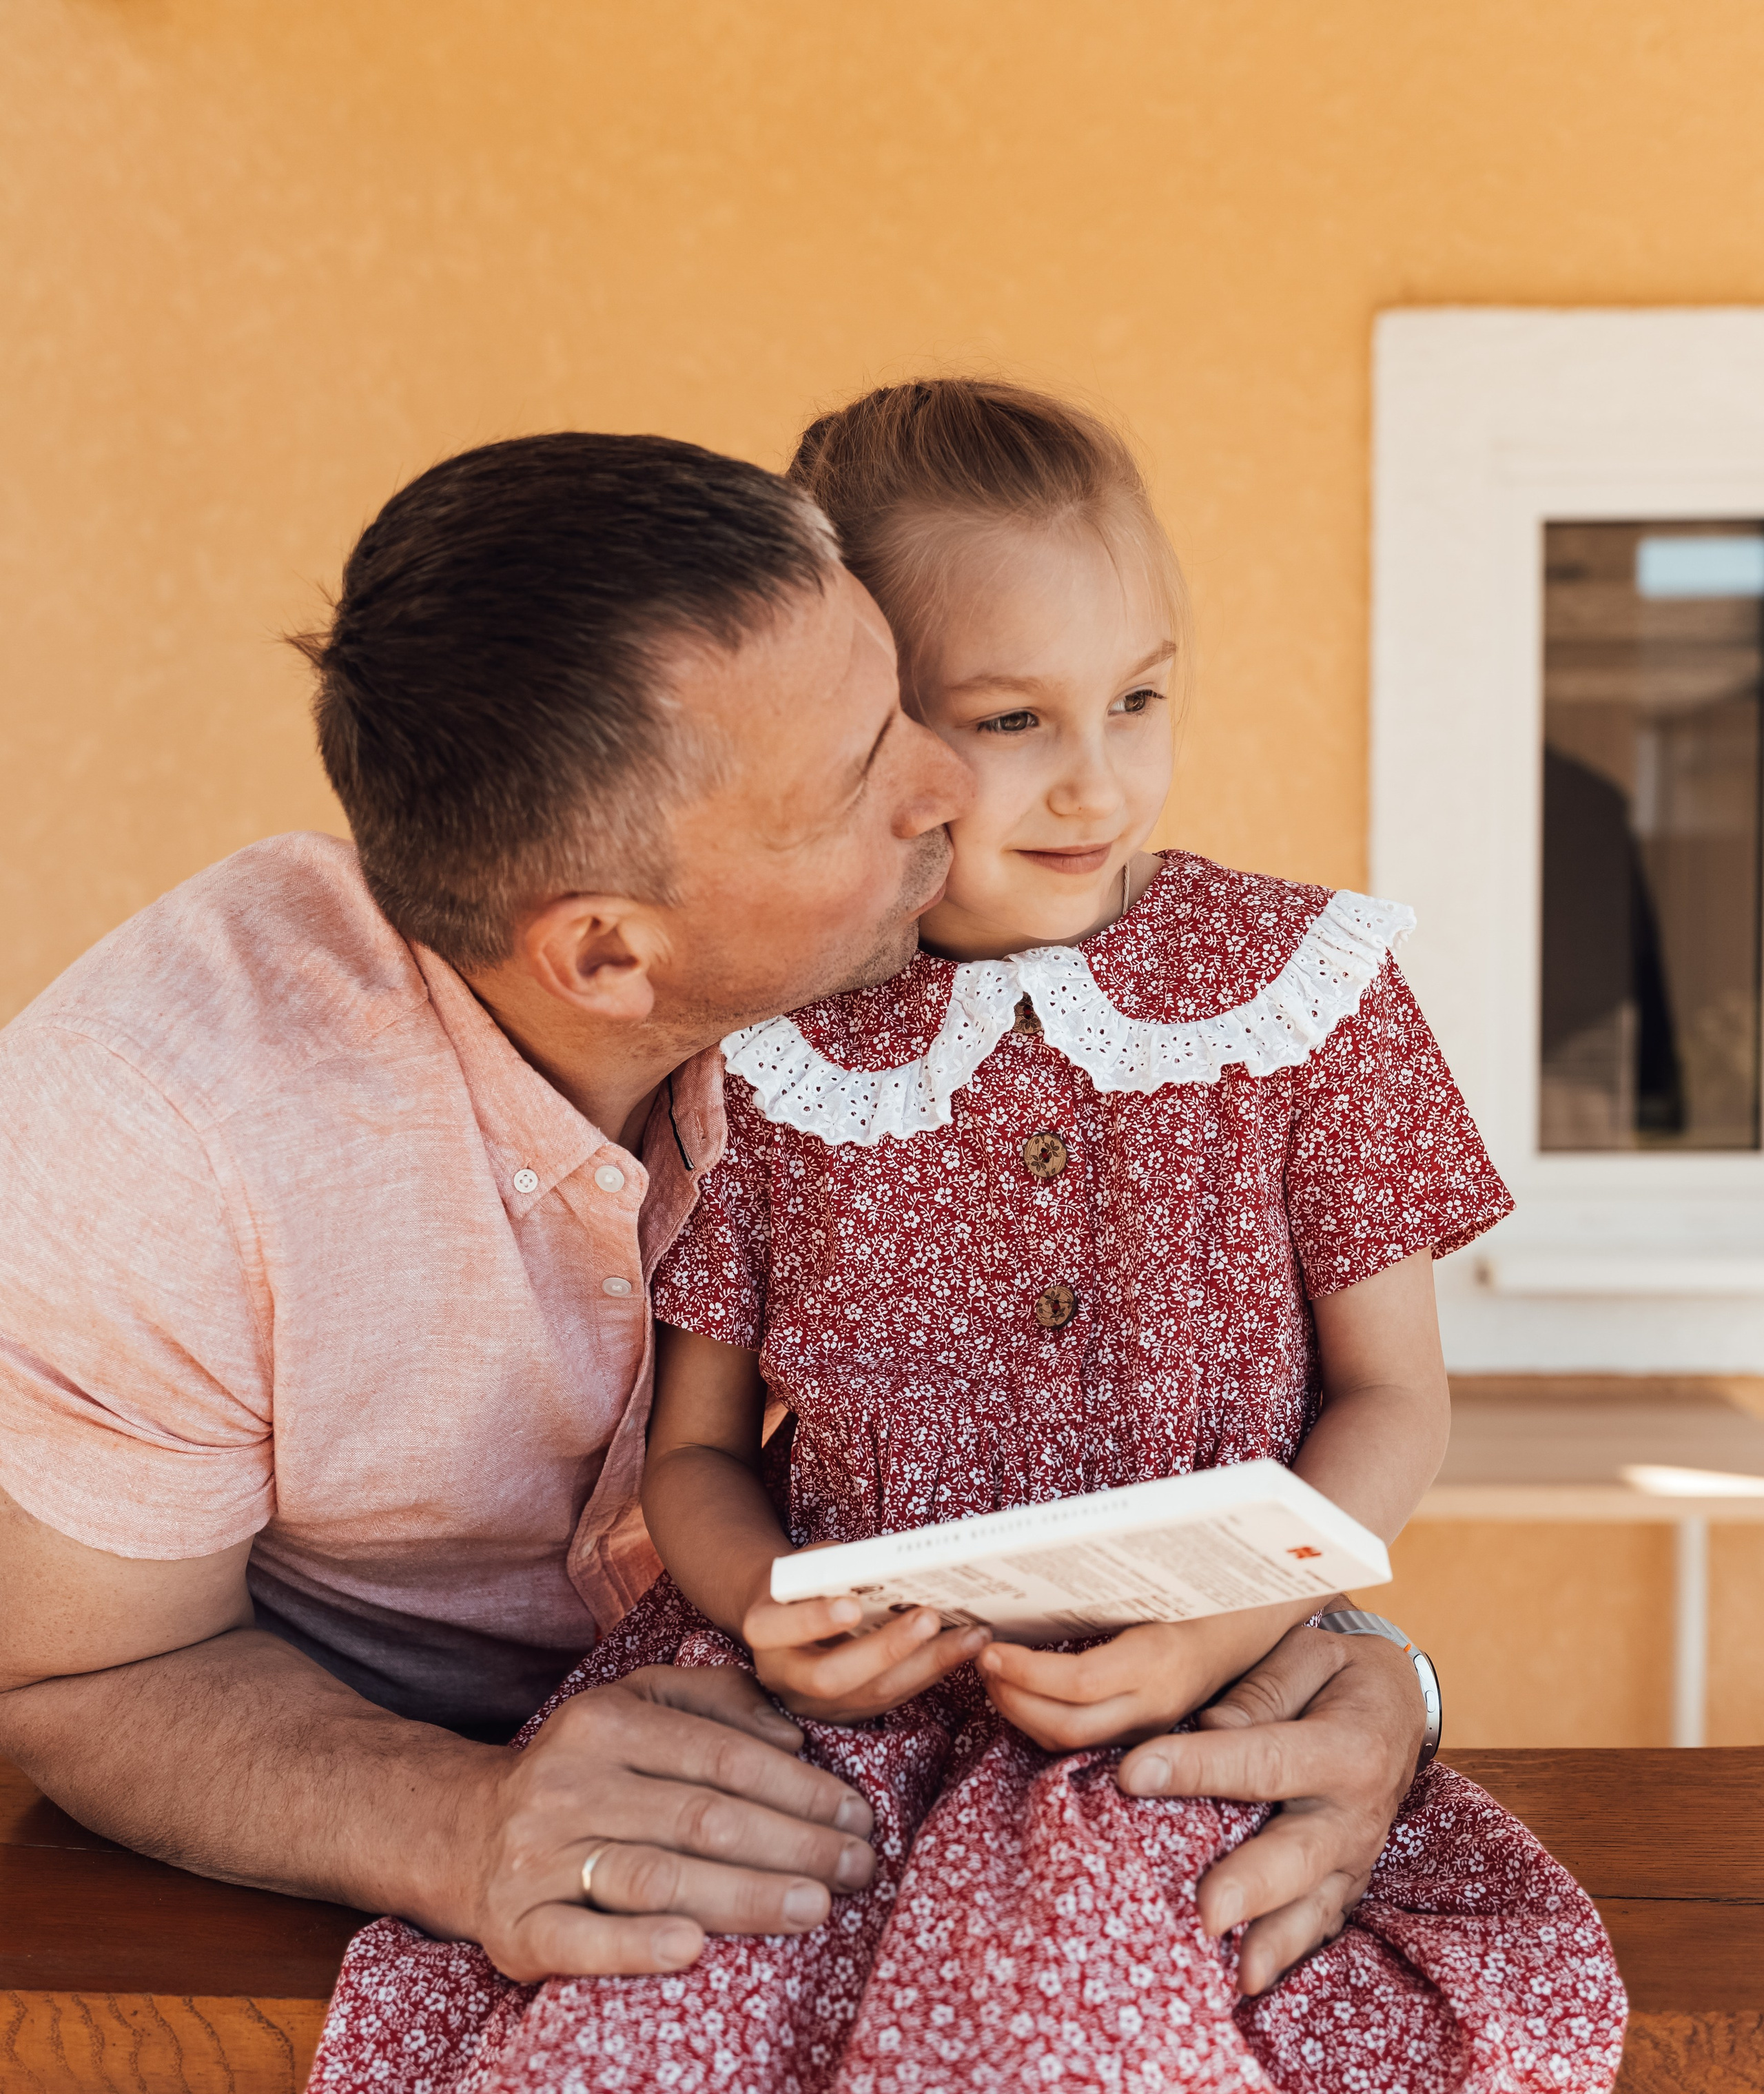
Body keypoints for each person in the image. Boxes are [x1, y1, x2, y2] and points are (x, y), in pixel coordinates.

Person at [309, 387, 1626, 2091]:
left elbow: (1394, 1399)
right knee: (633, 2025)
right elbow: (699, 1456)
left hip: (1164, 1707)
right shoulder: (774, 1044)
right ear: (887, 735)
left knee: (1065, 2026)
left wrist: (1236, 1621)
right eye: (1011, 716)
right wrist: (769, 1605)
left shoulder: (1309, 996)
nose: (1097, 777)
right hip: (817, 1725)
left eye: (1140, 697)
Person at [1, 431, 1438, 1991]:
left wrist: (1362, 1662)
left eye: (906, 691)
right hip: (399, 1849)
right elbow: (86, 1671)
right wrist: (461, 1816)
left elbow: (1192, 1431)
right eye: (864, 765)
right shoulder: (151, 1132)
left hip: (930, 1762)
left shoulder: (906, 983)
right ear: (611, 956)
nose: (956, 781)